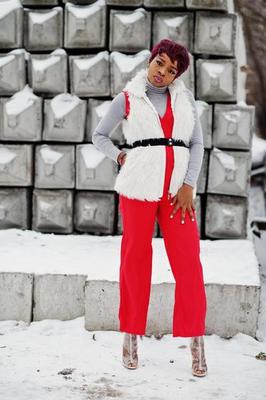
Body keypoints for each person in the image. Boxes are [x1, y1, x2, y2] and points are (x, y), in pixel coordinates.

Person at [92, 39, 208, 377]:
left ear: (177, 76)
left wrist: (188, 185)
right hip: (138, 189)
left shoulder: (185, 101)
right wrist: (120, 156)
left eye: (172, 70)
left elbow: (197, 143)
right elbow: (99, 136)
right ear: (151, 60)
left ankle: (196, 341)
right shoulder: (127, 98)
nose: (163, 73)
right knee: (135, 260)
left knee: (188, 262)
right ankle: (130, 336)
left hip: (176, 193)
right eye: (160, 63)